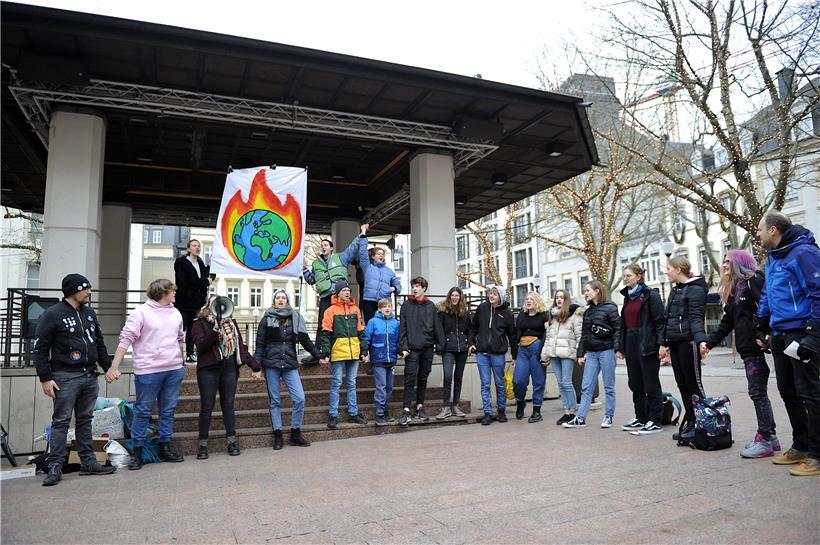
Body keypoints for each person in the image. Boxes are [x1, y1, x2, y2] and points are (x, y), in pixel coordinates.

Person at [33, 273, 116, 486]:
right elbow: (40, 348)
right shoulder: (52, 314)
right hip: (65, 377)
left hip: (89, 376)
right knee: (60, 421)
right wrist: (45, 378)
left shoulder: (89, 313)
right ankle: (55, 467)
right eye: (85, 288)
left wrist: (108, 368)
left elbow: (98, 342)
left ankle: (88, 462)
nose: (89, 292)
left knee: (85, 420)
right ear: (73, 291)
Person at [755, 210, 820, 476]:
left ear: (773, 230)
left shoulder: (804, 253)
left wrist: (813, 335)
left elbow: (818, 294)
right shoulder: (772, 258)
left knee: (811, 394)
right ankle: (801, 445)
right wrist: (762, 323)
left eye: (760, 229)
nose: (757, 234)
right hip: (780, 335)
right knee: (788, 391)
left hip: (801, 333)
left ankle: (817, 454)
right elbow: (769, 293)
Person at [701, 250, 778, 457]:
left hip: (756, 347)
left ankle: (766, 438)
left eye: (728, 261)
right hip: (747, 349)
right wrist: (709, 344)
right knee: (758, 392)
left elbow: (768, 306)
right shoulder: (735, 288)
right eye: (724, 261)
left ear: (740, 263)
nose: (724, 265)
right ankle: (770, 435)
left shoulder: (753, 280)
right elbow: (728, 322)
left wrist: (766, 334)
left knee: (757, 392)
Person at [107, 279, 185, 470]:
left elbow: (180, 337)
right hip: (148, 371)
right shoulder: (140, 313)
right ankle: (137, 452)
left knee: (168, 410)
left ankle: (164, 447)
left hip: (173, 369)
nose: (175, 293)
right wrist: (113, 366)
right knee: (143, 411)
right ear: (162, 293)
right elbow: (125, 339)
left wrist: (181, 361)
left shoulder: (175, 312)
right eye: (172, 291)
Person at [191, 296, 260, 459]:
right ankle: (202, 445)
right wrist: (215, 329)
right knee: (207, 406)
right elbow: (201, 346)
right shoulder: (198, 324)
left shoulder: (232, 324)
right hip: (208, 370)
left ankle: (231, 442)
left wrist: (255, 365)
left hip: (229, 369)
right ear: (208, 306)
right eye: (215, 304)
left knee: (228, 405)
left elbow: (240, 348)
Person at [256, 289, 326, 450]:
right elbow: (260, 344)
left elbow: (305, 340)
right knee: (275, 400)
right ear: (274, 301)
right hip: (271, 363)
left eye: (283, 298)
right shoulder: (266, 318)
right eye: (278, 298)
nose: (280, 300)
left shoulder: (295, 318)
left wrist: (318, 355)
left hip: (289, 363)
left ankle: (295, 432)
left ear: (287, 301)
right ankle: (278, 434)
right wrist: (256, 366)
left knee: (300, 398)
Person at [659, 257, 708, 442]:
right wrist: (663, 343)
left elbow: (696, 318)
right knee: (682, 384)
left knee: (693, 384)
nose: (667, 271)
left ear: (679, 269)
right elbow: (667, 319)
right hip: (675, 342)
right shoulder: (674, 290)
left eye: (669, 268)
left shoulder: (695, 289)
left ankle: (703, 422)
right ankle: (691, 419)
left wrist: (701, 341)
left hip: (688, 343)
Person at [563, 281, 621, 429]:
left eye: (588, 290)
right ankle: (580, 418)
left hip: (607, 351)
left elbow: (618, 329)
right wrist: (580, 354)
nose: (585, 293)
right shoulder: (587, 311)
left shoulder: (610, 307)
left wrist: (617, 349)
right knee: (586, 386)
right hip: (592, 353)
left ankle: (608, 416)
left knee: (609, 386)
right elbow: (584, 335)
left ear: (597, 291)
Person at [617, 264, 665, 436]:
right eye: (624, 276)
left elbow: (660, 321)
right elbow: (623, 324)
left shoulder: (651, 295)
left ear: (638, 277)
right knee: (635, 382)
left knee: (650, 382)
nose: (625, 278)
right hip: (631, 342)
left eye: (628, 275)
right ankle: (641, 416)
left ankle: (655, 419)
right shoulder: (627, 297)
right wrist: (620, 346)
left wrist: (662, 344)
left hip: (647, 342)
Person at [302, 231, 362, 363]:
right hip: (325, 297)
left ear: (331, 248)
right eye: (321, 245)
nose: (323, 247)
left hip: (339, 297)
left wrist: (361, 234)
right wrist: (305, 269)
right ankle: (317, 354)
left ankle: (346, 351)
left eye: (325, 245)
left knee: (343, 324)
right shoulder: (316, 264)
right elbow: (312, 280)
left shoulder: (341, 257)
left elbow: (352, 248)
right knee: (322, 325)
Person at [320, 279, 369, 429]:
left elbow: (361, 332)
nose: (347, 292)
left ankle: (353, 412)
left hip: (353, 352)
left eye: (348, 290)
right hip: (338, 352)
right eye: (344, 290)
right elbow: (326, 333)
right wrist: (326, 352)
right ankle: (333, 414)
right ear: (338, 293)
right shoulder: (330, 311)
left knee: (351, 383)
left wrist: (364, 351)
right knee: (336, 383)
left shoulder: (355, 309)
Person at [398, 276, 444, 425]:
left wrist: (440, 345)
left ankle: (419, 406)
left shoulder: (430, 306)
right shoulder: (406, 306)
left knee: (423, 378)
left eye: (418, 286)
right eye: (413, 286)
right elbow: (402, 328)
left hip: (427, 348)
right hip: (411, 349)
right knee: (410, 378)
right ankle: (406, 409)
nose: (415, 289)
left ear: (424, 288)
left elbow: (437, 326)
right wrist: (403, 347)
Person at [470, 285, 517, 426]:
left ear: (500, 297)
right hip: (482, 353)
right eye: (490, 293)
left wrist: (514, 355)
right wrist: (471, 343)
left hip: (498, 354)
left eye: (494, 294)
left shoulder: (507, 313)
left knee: (499, 384)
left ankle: (501, 410)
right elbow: (473, 327)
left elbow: (512, 335)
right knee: (485, 384)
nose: (491, 296)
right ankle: (487, 413)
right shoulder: (482, 308)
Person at [541, 289, 583, 425]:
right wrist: (544, 355)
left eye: (562, 297)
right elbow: (548, 338)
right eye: (557, 297)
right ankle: (566, 412)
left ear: (566, 300)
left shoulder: (574, 316)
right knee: (560, 383)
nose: (559, 300)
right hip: (554, 354)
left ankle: (572, 412)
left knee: (566, 382)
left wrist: (580, 353)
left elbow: (579, 336)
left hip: (567, 353)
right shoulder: (552, 316)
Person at [436, 286, 472, 420]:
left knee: (458, 377)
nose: (455, 298)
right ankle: (446, 407)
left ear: (460, 297)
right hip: (448, 348)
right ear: (449, 296)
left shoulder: (465, 312)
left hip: (462, 348)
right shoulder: (443, 312)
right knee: (447, 376)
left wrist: (470, 344)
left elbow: (470, 329)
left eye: (457, 295)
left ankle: (455, 406)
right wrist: (440, 345)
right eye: (453, 295)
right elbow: (439, 329)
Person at [512, 292, 549, 423]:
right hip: (522, 349)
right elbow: (517, 332)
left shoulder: (544, 315)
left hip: (537, 348)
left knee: (538, 381)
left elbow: (548, 334)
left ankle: (537, 411)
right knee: (518, 381)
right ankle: (520, 402)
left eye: (531, 299)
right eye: (527, 299)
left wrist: (545, 353)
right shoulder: (522, 314)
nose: (528, 301)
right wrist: (514, 354)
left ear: (537, 301)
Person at [174, 239, 211, 363]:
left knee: (192, 330)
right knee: (180, 329)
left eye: (199, 246)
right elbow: (188, 281)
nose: (197, 248)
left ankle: (190, 354)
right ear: (188, 249)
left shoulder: (200, 263)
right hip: (183, 302)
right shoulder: (181, 263)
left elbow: (208, 276)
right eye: (194, 246)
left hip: (196, 303)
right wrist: (205, 282)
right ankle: (176, 355)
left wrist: (212, 266)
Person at [365, 298, 400, 426]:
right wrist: (366, 353)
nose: (387, 309)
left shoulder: (395, 323)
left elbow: (397, 341)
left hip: (391, 359)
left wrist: (400, 351)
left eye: (389, 306)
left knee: (389, 387)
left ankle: (385, 410)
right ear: (379, 309)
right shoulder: (373, 322)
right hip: (378, 359)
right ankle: (379, 413)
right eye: (384, 306)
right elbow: (367, 339)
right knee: (381, 386)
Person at [358, 223, 401, 324]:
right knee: (369, 325)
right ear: (373, 256)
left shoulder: (389, 271)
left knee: (384, 325)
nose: (381, 255)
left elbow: (398, 286)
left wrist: (393, 288)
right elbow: (362, 252)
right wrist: (363, 233)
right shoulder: (368, 267)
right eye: (378, 254)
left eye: (382, 254)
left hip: (384, 302)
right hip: (369, 301)